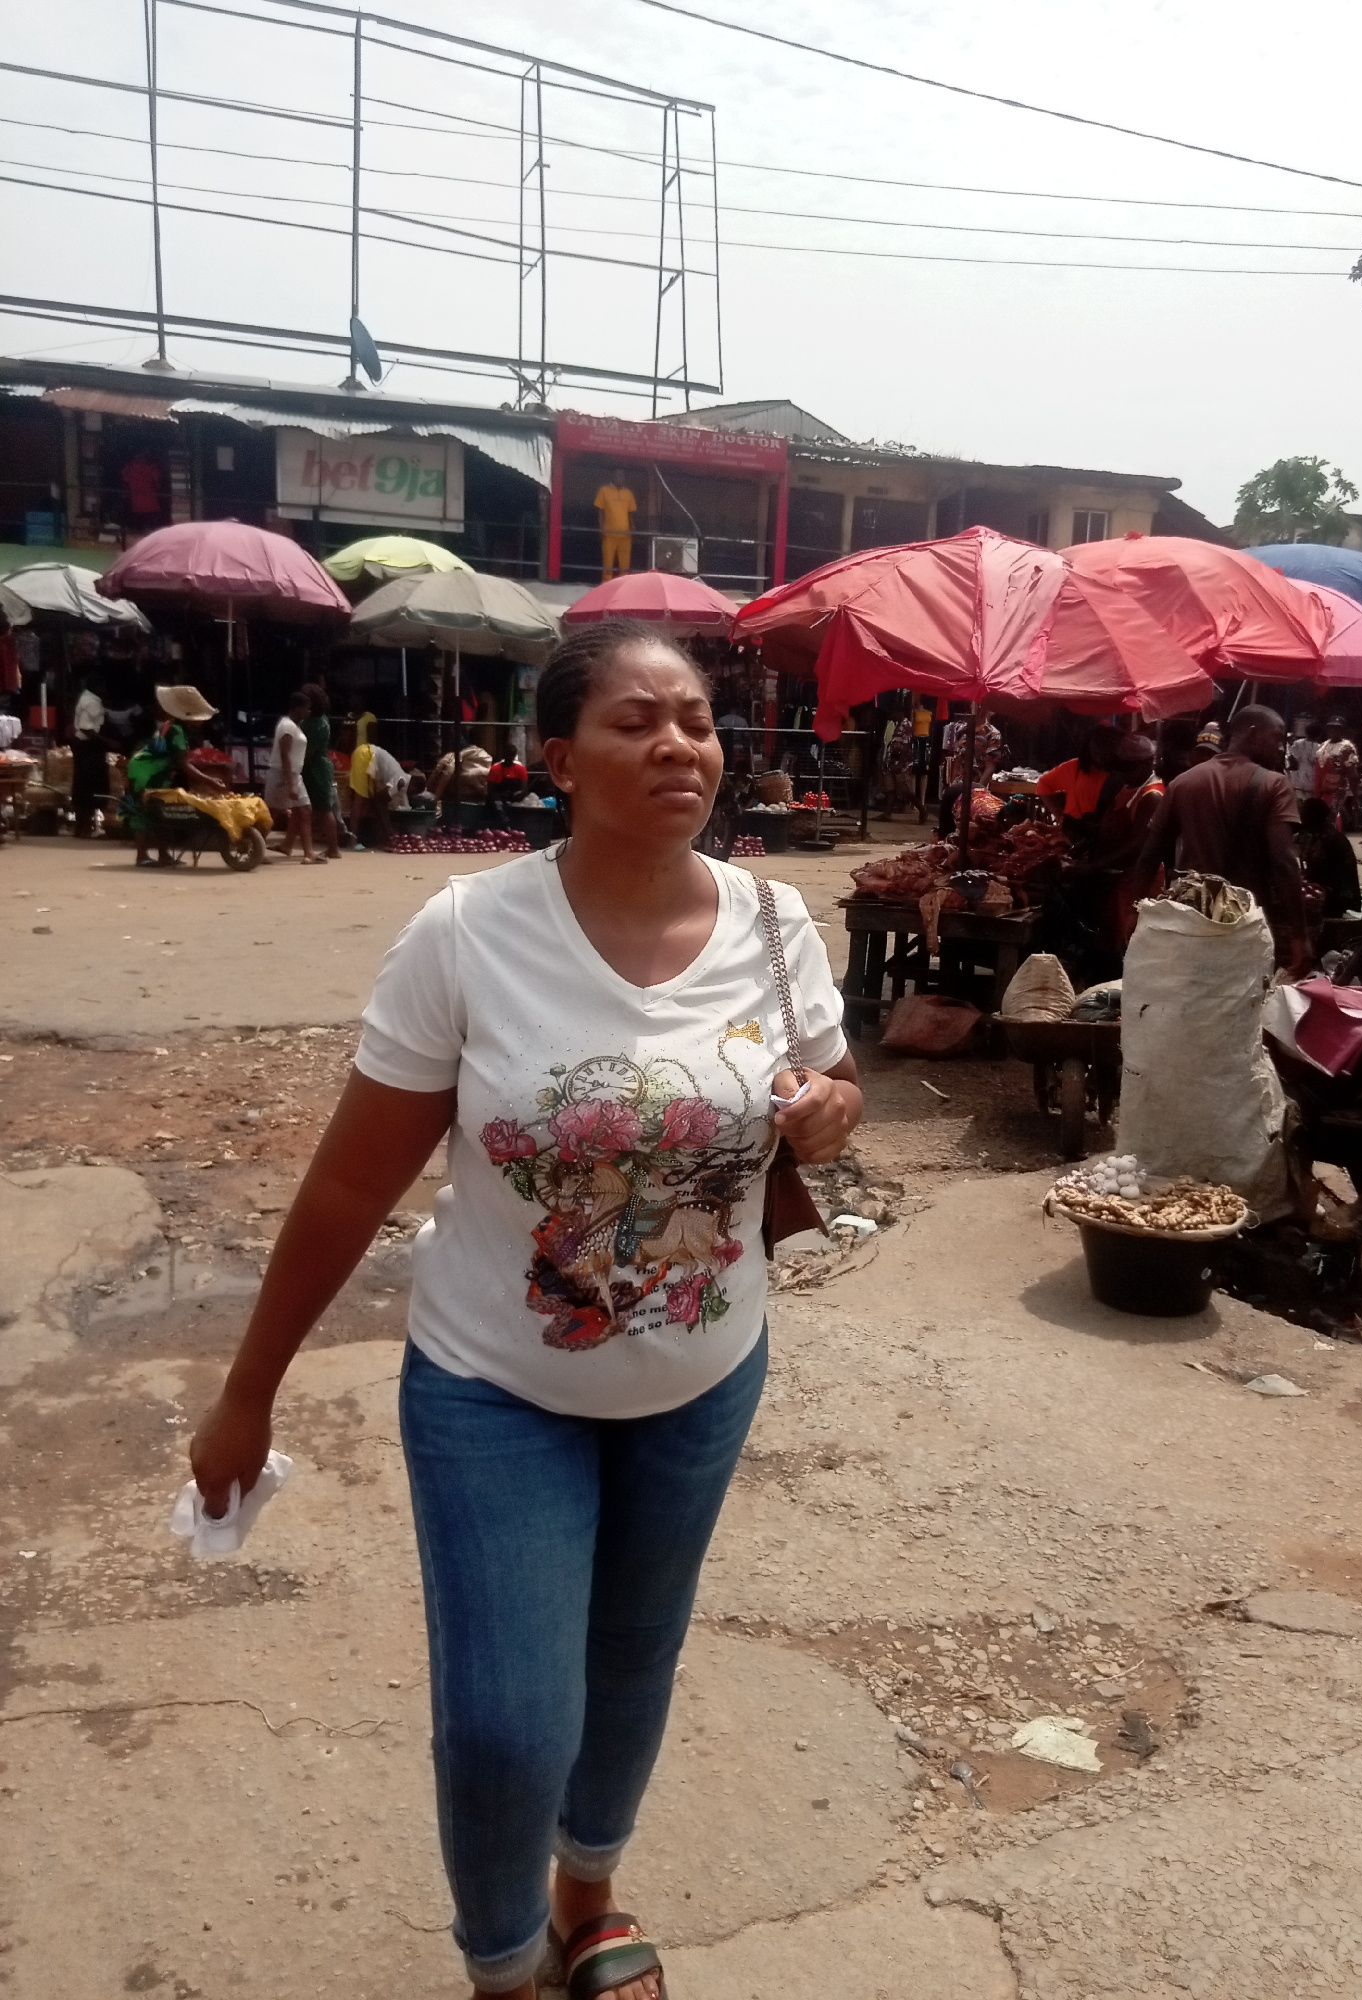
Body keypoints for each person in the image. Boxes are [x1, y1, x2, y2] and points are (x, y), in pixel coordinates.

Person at [189, 618, 861, 2000]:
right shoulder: (469, 934)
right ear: (557, 758)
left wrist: (832, 1113)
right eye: (635, 721)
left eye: (696, 721)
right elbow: (347, 1185)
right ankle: (503, 1966)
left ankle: (588, 1897)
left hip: (702, 1380)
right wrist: (248, 1391)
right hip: (495, 1388)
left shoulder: (774, 922)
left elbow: (829, 1090)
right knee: (507, 1719)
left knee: (634, 1658)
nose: (678, 745)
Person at [1134, 703, 1312, 973]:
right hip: (1245, 920)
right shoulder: (1274, 784)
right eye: (1276, 738)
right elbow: (1284, 862)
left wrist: (1135, 912)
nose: (1280, 748)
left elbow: (1150, 854)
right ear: (1252, 733)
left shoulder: (1183, 782)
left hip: (1191, 918)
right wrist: (1300, 935)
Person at [120, 685, 225, 867]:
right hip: (145, 772)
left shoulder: (174, 727)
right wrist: (210, 781)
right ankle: (141, 856)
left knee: (160, 813)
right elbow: (183, 764)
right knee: (144, 813)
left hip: (156, 772)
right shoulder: (176, 730)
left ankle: (164, 855)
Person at [1088, 731, 1165, 960]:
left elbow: (1137, 847)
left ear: (1148, 764)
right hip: (1120, 879)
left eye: (1128, 768)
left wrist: (1091, 867)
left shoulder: (1152, 796)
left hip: (1140, 882)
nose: (1122, 774)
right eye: (1120, 767)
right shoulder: (1129, 786)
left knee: (1131, 944)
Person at [1036, 725, 1122, 848]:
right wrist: (1060, 816)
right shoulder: (1074, 767)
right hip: (1072, 836)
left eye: (1105, 752)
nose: (1100, 757)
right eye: (1096, 752)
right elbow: (1043, 784)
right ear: (1089, 749)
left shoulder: (1119, 774)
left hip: (1106, 838)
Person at [265, 690, 318, 864]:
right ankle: (253, 847)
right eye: (306, 708)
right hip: (284, 774)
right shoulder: (287, 726)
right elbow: (285, 754)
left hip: (293, 774)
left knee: (303, 811)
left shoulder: (293, 726)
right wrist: (291, 784)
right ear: (297, 708)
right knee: (271, 814)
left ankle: (307, 852)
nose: (308, 711)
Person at [349, 718, 410, 848]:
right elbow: (380, 802)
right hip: (366, 755)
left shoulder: (400, 777)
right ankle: (352, 839)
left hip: (368, 758)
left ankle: (374, 839)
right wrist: (390, 830)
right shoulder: (401, 782)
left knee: (368, 801)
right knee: (359, 799)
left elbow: (378, 802)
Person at [1298, 797, 1362, 920]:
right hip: (1335, 891)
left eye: (1304, 815)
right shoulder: (1322, 835)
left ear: (1313, 817)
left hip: (1337, 895)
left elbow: (1318, 872)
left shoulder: (1327, 840)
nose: (1301, 819)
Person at [300, 683, 342, 862]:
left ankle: (333, 848)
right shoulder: (314, 720)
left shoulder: (318, 724)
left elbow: (309, 752)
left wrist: (297, 766)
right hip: (313, 766)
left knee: (324, 809)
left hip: (316, 768)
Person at [71, 673, 107, 840]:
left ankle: (81, 826)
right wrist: (107, 741)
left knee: (82, 785)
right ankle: (85, 826)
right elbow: (86, 728)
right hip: (89, 747)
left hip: (83, 746)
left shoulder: (87, 698)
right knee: (89, 786)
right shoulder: (92, 701)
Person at [1314, 716, 1361, 829]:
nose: (1333, 730)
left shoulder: (1347, 747)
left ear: (1342, 730)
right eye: (1331, 728)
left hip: (1338, 791)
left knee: (1333, 820)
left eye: (1337, 728)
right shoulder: (1323, 745)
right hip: (1322, 790)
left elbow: (1352, 773)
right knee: (1321, 821)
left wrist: (1355, 796)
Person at [593, 466, 638, 581]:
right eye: (618, 475)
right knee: (608, 565)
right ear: (612, 476)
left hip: (625, 536)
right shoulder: (604, 491)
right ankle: (606, 585)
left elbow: (631, 513)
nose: (620, 478)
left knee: (625, 566)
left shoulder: (628, 493)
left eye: (622, 476)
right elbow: (600, 512)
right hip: (609, 535)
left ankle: (624, 586)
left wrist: (633, 527)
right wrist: (601, 529)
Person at [488, 740, 530, 807]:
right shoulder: (495, 769)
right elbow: (490, 790)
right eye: (507, 754)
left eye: (511, 755)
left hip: (516, 802)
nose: (509, 757)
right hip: (499, 801)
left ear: (514, 755)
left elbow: (524, 790)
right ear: (503, 755)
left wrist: (517, 796)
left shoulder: (521, 769)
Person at [1287, 716, 1319, 803]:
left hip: (1298, 776)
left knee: (1297, 801)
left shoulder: (1298, 743)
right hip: (1312, 778)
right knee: (1308, 801)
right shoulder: (1319, 747)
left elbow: (1292, 758)